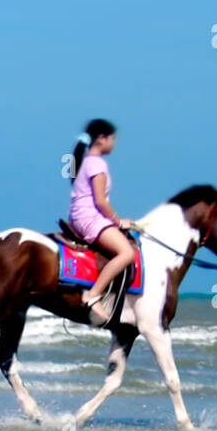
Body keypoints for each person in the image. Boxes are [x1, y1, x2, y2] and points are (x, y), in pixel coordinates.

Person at [67, 119, 136, 326]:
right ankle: (93, 295)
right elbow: (100, 201)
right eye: (112, 139)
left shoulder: (86, 161)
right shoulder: (97, 163)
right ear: (101, 139)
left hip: (81, 215)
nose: (114, 144)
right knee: (126, 253)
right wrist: (117, 221)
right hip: (89, 217)